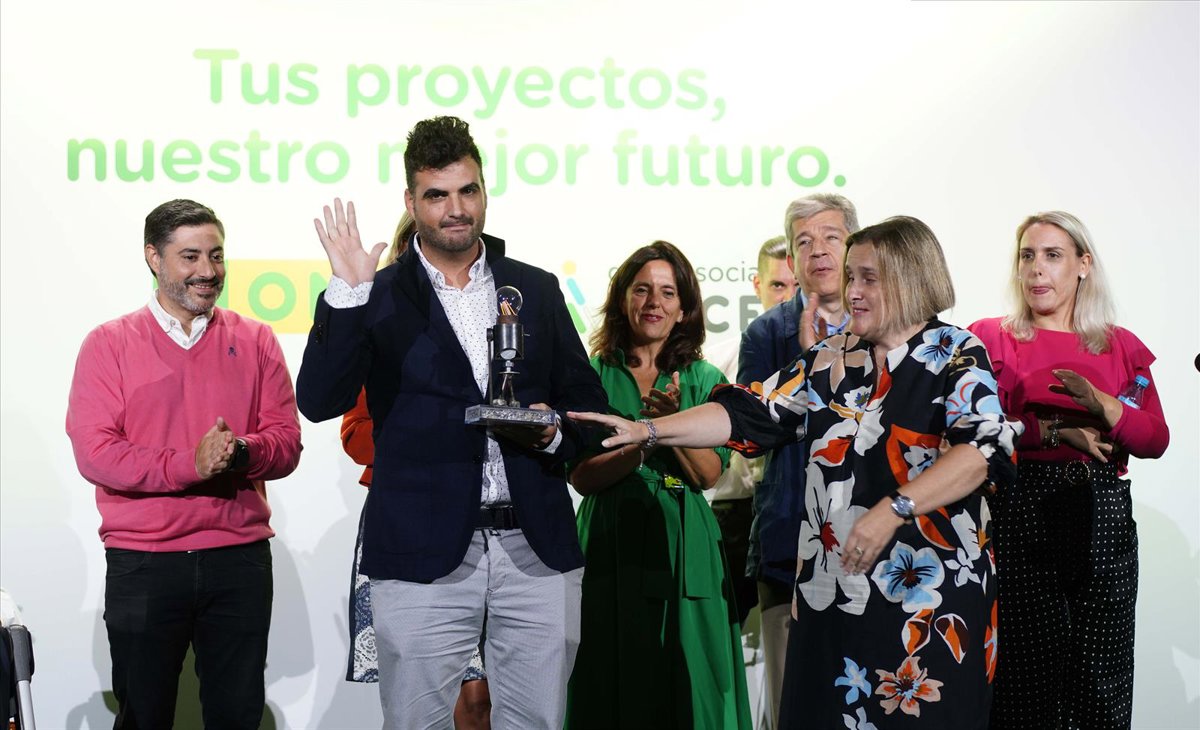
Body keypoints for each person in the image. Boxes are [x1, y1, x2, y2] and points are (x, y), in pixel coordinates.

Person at [573, 216, 1021, 729]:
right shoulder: (832, 357)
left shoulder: (957, 352)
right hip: (834, 597)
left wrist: (895, 508)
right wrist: (649, 431)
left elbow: (982, 449)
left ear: (910, 280)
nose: (852, 291)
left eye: (868, 278)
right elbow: (746, 412)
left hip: (926, 604)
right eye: (850, 277)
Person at [295, 116, 606, 729]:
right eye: (437, 195)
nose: (456, 209)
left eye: (468, 191)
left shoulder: (536, 289)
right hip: (421, 549)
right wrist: (348, 294)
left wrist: (555, 432)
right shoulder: (375, 295)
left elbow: (589, 408)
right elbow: (319, 399)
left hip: (535, 548)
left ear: (485, 191)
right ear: (411, 203)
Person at [65, 199, 303, 729]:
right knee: (143, 716)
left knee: (237, 717)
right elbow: (97, 453)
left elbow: (286, 443)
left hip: (238, 559)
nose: (208, 271)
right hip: (144, 562)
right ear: (153, 258)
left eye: (216, 255)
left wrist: (240, 452)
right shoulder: (107, 344)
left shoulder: (256, 338)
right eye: (190, 256)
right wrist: (190, 465)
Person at [969, 211, 1169, 729]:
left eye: (1053, 255)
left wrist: (1105, 405)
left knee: (1101, 677)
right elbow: (974, 432)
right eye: (1027, 256)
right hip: (1020, 509)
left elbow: (1155, 439)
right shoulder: (990, 338)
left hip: (1101, 512)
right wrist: (1056, 432)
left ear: (1083, 264)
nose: (1036, 269)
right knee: (1024, 678)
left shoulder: (1118, 344)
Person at [564, 241, 751, 730]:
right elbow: (582, 476)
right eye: (642, 289)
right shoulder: (592, 373)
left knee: (696, 682)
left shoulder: (705, 378)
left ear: (684, 308)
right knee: (608, 674)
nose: (654, 302)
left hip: (688, 541)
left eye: (668, 293)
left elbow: (707, 475)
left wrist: (664, 428)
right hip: (610, 539)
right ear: (622, 298)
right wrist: (646, 442)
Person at [339, 211, 492, 729]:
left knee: (482, 699)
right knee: (428, 697)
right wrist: (422, 438)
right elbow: (354, 433)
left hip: (489, 528)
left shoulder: (491, 318)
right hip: (409, 522)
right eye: (414, 251)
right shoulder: (383, 329)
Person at [737, 193, 857, 726]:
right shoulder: (766, 334)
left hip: (870, 537)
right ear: (791, 257)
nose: (818, 251)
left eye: (831, 237)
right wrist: (810, 362)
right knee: (792, 706)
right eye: (804, 242)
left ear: (854, 247)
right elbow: (753, 431)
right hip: (790, 538)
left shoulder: (885, 322)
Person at [704, 235, 798, 628]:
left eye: (796, 285)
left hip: (793, 506)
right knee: (723, 630)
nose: (788, 296)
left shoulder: (837, 359)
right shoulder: (718, 359)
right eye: (778, 285)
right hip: (735, 511)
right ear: (757, 285)